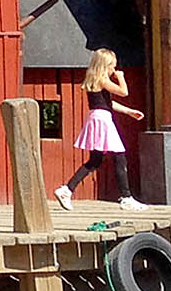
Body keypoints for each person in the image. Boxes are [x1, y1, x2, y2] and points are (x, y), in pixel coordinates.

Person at [54, 48, 146, 211]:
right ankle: (126, 198)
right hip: (102, 120)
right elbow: (123, 92)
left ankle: (67, 190)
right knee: (119, 156)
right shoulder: (102, 79)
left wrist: (129, 112)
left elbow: (107, 104)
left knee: (95, 160)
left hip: (98, 116)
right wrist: (121, 78)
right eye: (112, 66)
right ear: (104, 65)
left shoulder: (95, 80)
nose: (114, 70)